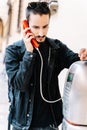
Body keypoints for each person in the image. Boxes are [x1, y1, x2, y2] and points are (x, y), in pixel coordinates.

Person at [4, 2, 87, 130]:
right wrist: (29, 53)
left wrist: (83, 56)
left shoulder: (56, 48)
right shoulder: (12, 51)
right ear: (26, 25)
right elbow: (19, 84)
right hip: (21, 124)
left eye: (45, 26)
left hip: (49, 123)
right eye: (36, 27)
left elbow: (76, 61)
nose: (41, 33)